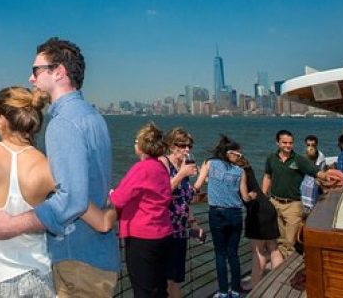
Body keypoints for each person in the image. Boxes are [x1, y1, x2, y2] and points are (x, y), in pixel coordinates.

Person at [0, 86, 115, 297]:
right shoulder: (48, 167)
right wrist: (113, 209)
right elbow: (100, 221)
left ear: (1, 120)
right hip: (40, 278)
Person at [0, 38, 120, 297]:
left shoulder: (63, 123)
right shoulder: (93, 117)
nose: (31, 79)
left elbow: (72, 199)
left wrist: (14, 224)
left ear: (59, 72)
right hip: (101, 256)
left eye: (36, 71)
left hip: (78, 260)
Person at [109, 122, 173, 298]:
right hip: (163, 234)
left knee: (143, 289)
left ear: (143, 145)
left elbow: (118, 198)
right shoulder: (161, 168)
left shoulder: (141, 168)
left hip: (142, 237)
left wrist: (110, 194)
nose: (134, 144)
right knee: (159, 287)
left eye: (136, 141)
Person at [194, 135, 255, 298]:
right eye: (238, 154)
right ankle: (235, 291)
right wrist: (252, 195)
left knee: (220, 254)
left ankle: (222, 292)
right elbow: (244, 197)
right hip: (235, 214)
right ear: (229, 153)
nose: (240, 157)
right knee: (233, 254)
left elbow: (197, 185)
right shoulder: (240, 171)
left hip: (217, 213)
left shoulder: (209, 163)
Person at [261, 130, 328, 262]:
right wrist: (263, 196)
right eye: (284, 142)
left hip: (293, 205)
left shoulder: (299, 160)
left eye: (290, 143)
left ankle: (279, 273)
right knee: (279, 240)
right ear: (278, 143)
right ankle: (279, 269)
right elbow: (267, 176)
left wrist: (329, 176)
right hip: (274, 203)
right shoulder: (271, 158)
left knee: (289, 243)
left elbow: (316, 172)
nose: (288, 145)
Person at [158, 127, 200, 298]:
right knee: (165, 279)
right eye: (183, 146)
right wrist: (182, 174)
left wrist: (193, 223)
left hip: (180, 231)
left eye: (189, 146)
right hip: (165, 230)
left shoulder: (185, 166)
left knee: (175, 279)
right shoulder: (162, 163)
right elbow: (161, 192)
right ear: (171, 145)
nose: (187, 150)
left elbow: (184, 199)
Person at [237, 154, 281, 291]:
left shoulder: (238, 172)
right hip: (268, 208)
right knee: (273, 248)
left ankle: (254, 284)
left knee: (258, 251)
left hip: (257, 211)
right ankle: (277, 281)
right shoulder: (247, 168)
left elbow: (243, 195)